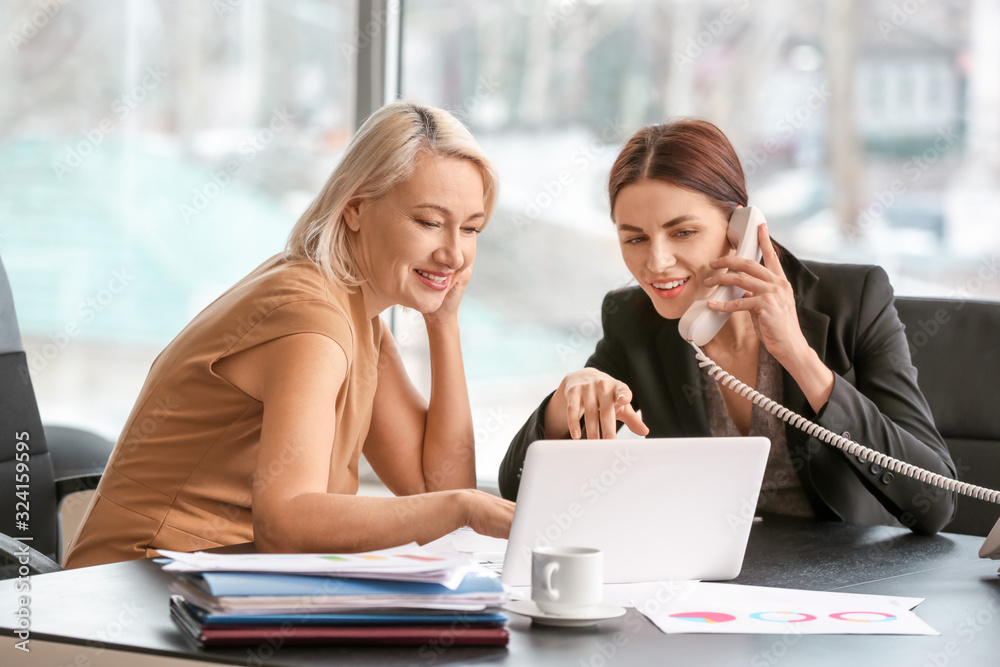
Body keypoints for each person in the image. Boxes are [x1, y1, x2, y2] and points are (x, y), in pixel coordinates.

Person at [65, 101, 515, 568]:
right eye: (429, 222)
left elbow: (438, 484)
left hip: (222, 587)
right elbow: (286, 526)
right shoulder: (311, 321)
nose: (454, 254)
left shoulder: (359, 318)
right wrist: (463, 508)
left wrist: (443, 323)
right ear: (356, 208)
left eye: (470, 229)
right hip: (134, 587)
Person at [498, 119, 957, 535]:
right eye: (635, 238)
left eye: (683, 233)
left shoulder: (854, 300)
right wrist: (564, 402)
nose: (656, 263)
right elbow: (516, 488)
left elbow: (936, 505)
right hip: (705, 581)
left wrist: (799, 356)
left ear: (738, 227)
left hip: (841, 583)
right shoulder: (634, 322)